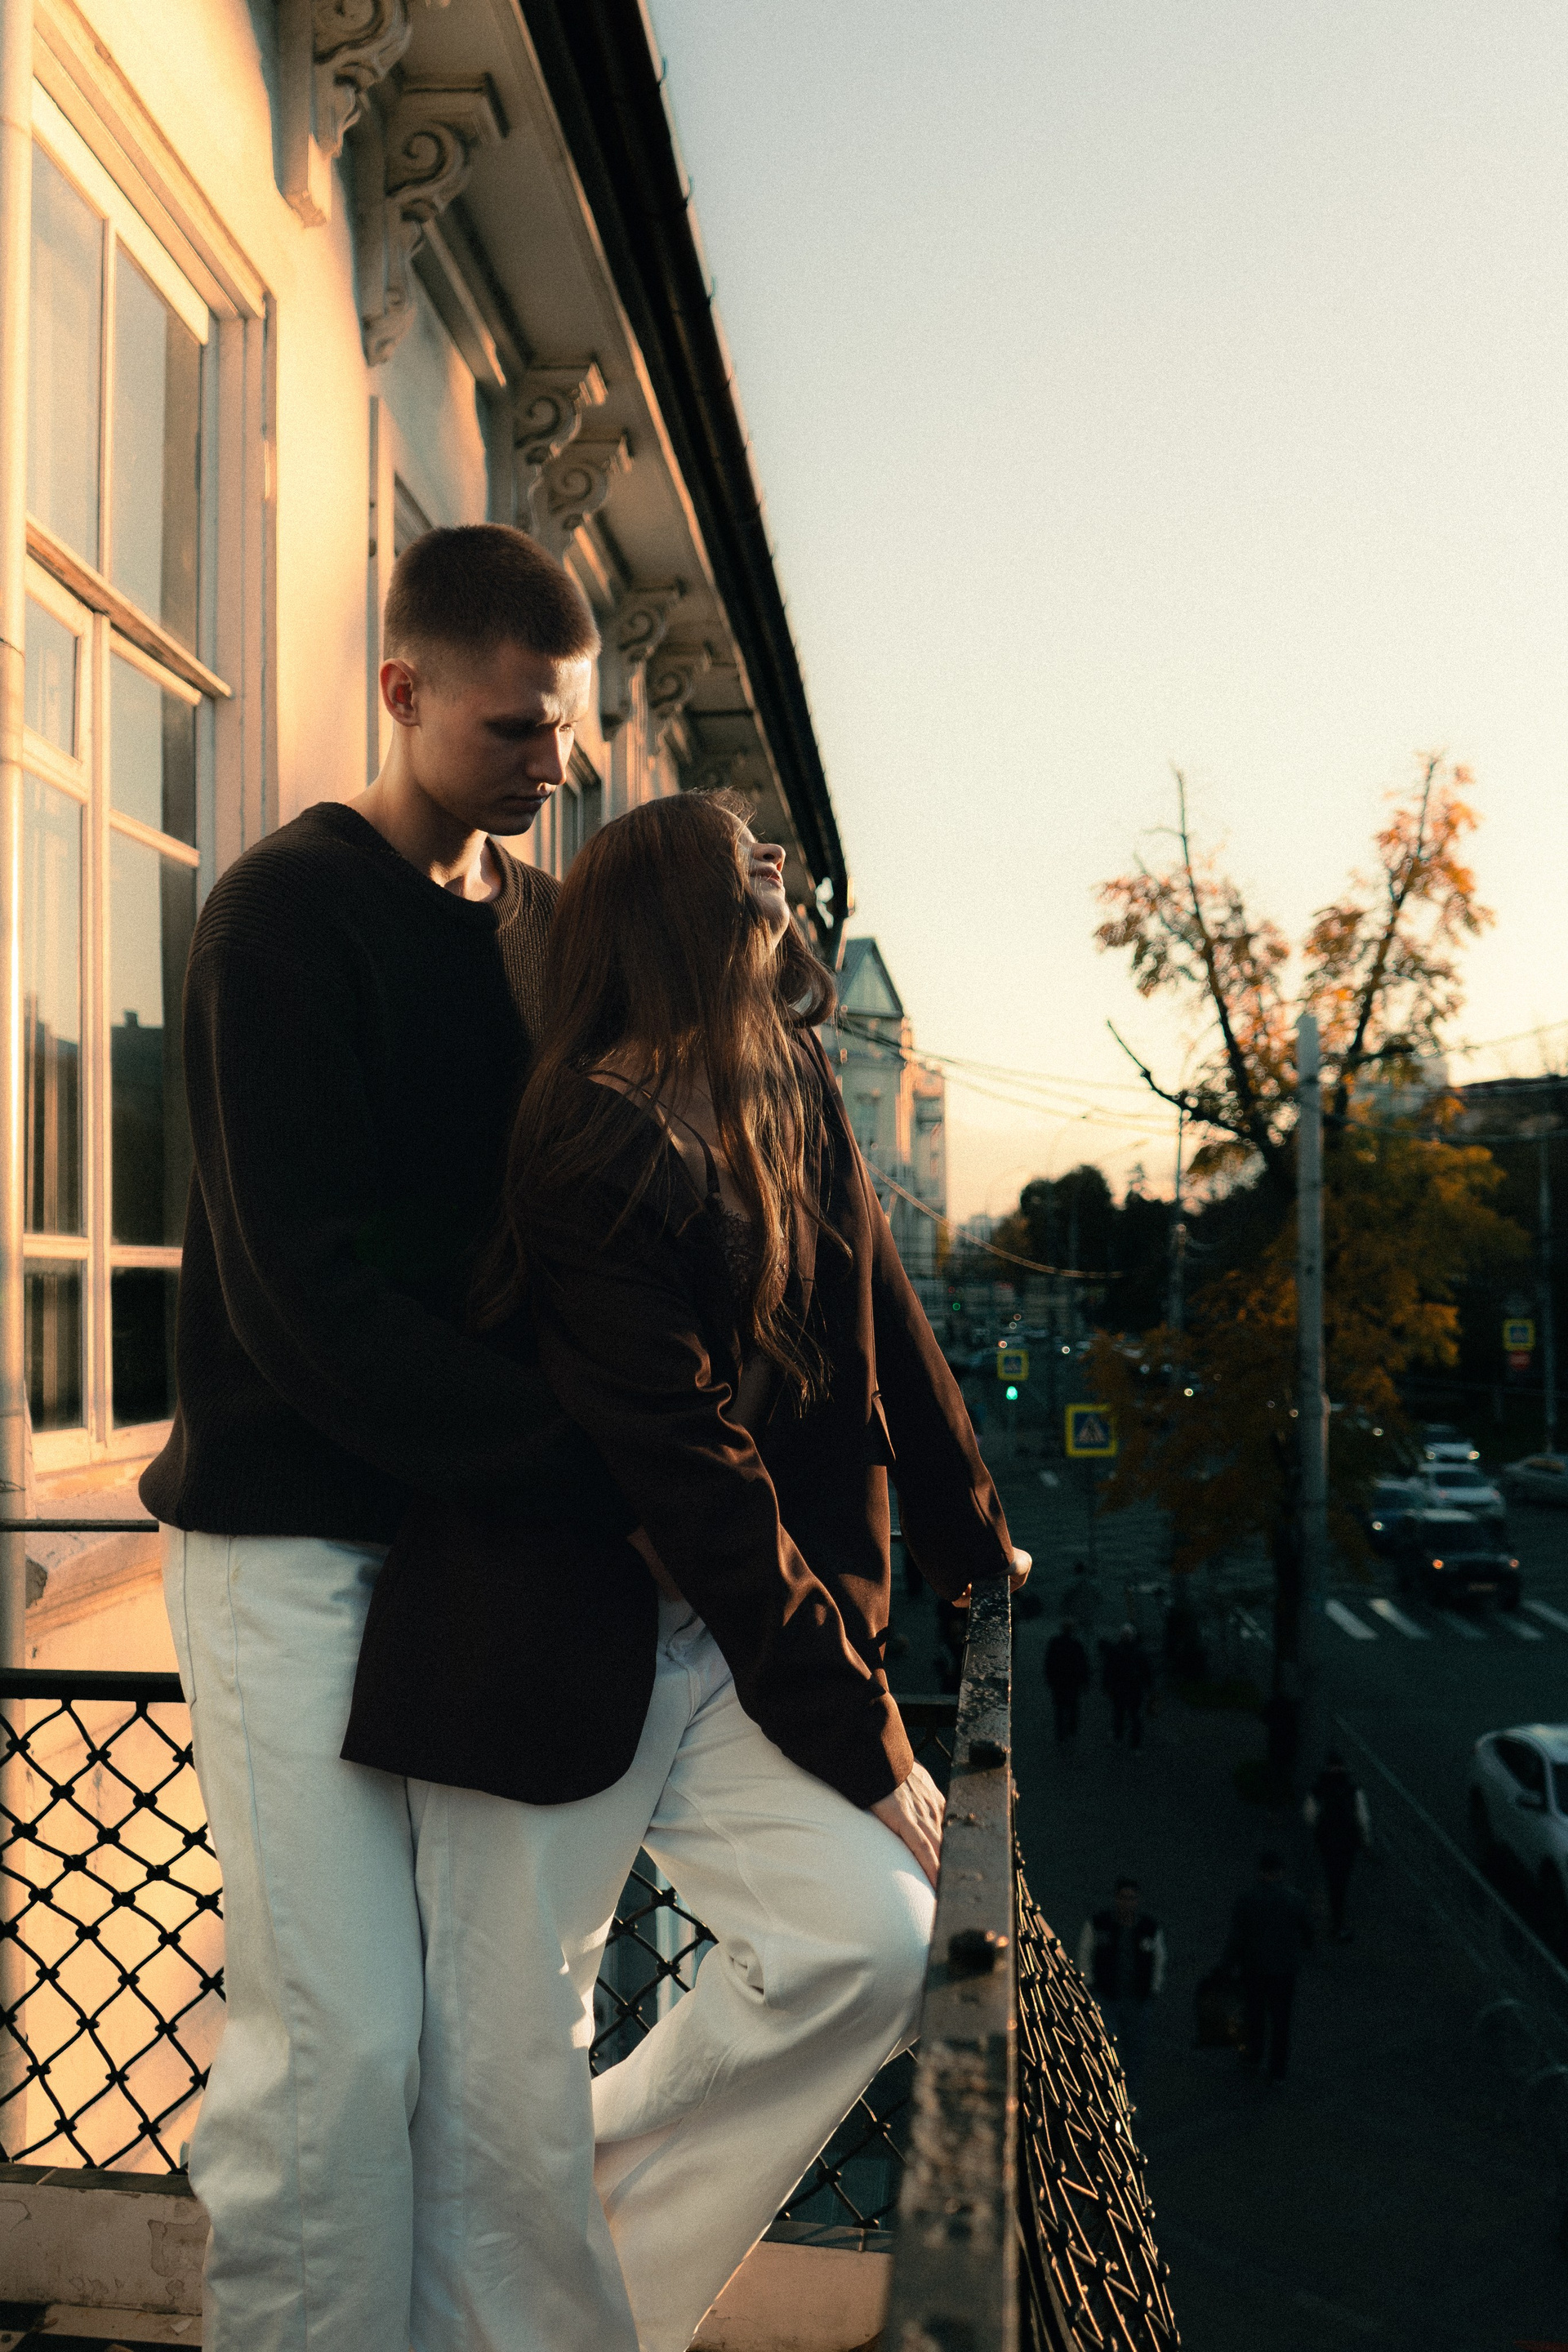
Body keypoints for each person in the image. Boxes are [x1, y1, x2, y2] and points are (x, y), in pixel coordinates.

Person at [345, 789, 1030, 2352]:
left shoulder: (786, 1076)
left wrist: (967, 1526)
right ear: (665, 911)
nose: (772, 861)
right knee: (506, 2070)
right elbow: (694, 1468)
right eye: (737, 851)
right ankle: (536, 2249)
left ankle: (586, 2249)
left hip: (710, 1638)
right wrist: (869, 1740)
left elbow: (881, 1309)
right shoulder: (587, 1144)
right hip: (538, 1643)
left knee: (872, 1945)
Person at [140, 525, 618, 2348]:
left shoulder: (540, 931)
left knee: (477, 2054)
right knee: (331, 2050)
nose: (552, 763)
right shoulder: (277, 916)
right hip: (289, 1545)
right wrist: (590, 1462)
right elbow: (306, 1301)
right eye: (513, 728)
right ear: (402, 689)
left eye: (564, 729)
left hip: (466, 1549)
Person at [1224, 1849, 1312, 2082]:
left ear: (1260, 1872)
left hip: (1254, 1967)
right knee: (1281, 2020)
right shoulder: (1296, 1899)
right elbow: (1308, 1933)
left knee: (1255, 2014)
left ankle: (1254, 2055)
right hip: (1284, 1970)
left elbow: (1236, 1938)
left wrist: (1227, 1966)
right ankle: (1278, 2068)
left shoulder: (1247, 1899)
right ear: (1281, 1872)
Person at [1077, 1878, 1166, 2100]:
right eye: (1124, 1898)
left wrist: (1153, 1988)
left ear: (1138, 1900)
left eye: (1132, 1898)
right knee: (1108, 2049)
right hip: (1106, 1997)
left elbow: (1159, 1959)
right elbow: (1085, 1954)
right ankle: (1110, 2096)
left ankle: (1129, 2098)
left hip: (1138, 1999)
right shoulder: (1099, 1924)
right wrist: (1089, 1985)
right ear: (1116, 1899)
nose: (1128, 1903)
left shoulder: (1149, 1928)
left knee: (1135, 2051)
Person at [1304, 1749, 1372, 1942]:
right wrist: (1366, 1842)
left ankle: (1331, 1916)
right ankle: (1338, 1923)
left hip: (1327, 1842)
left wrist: (1319, 1831)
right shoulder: (1352, 1789)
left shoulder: (1318, 1788)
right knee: (1342, 1881)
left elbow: (1309, 1815)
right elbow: (1363, 1818)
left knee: (1330, 1877)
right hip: (1348, 1843)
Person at [1102, 1621, 1154, 1749]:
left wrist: (1107, 1685)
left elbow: (1108, 1670)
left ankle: (1119, 1738)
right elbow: (1146, 1671)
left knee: (1120, 1714)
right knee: (1133, 1715)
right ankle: (1134, 1742)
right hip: (1132, 1688)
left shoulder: (1116, 1650)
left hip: (1121, 1688)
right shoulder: (1139, 1651)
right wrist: (1149, 1686)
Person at [1044, 1618, 1092, 1743]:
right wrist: (1085, 1681)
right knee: (1072, 1706)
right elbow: (1083, 1664)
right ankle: (1071, 1729)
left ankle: (1060, 1732)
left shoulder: (1055, 1642)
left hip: (1059, 1681)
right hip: (1072, 1681)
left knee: (1059, 1708)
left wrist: (1049, 1678)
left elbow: (1049, 1662)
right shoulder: (1076, 1644)